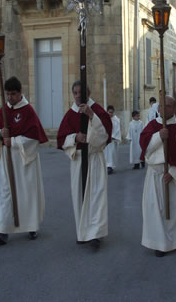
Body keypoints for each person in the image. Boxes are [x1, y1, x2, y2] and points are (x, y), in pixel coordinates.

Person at [0, 76, 48, 246]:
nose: (10, 98)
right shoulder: (4, 111)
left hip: (24, 162)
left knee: (26, 195)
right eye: (7, 94)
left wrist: (12, 142)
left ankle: (31, 225)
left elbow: (34, 138)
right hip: (6, 160)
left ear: (20, 93)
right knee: (4, 194)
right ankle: (1, 232)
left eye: (13, 94)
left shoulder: (28, 111)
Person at [139, 96, 176, 257]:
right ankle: (159, 243)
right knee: (156, 210)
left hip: (173, 178)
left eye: (169, 106)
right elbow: (146, 148)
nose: (165, 109)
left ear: (174, 108)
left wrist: (173, 173)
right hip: (155, 175)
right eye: (162, 106)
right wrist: (159, 136)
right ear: (158, 109)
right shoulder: (152, 126)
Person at [57, 81, 112, 250]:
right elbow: (61, 138)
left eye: (81, 93)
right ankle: (83, 232)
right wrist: (75, 138)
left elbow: (104, 135)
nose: (77, 96)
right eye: (74, 93)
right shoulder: (70, 114)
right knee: (79, 196)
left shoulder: (98, 110)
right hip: (79, 160)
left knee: (96, 196)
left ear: (88, 92)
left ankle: (95, 234)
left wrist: (91, 116)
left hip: (94, 158)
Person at [103, 105, 121, 174]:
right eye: (109, 112)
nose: (110, 114)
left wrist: (113, 136)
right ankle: (106, 166)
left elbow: (117, 129)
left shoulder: (116, 120)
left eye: (111, 112)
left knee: (111, 153)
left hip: (112, 140)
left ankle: (110, 167)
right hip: (106, 139)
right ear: (107, 111)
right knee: (106, 153)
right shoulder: (104, 119)